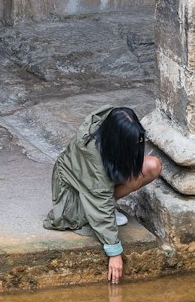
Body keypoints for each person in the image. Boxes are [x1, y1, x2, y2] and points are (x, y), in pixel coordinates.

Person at [43, 106, 161, 283]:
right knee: (104, 205)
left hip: (94, 189)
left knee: (152, 165)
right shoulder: (93, 158)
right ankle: (94, 215)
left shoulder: (106, 124)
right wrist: (115, 253)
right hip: (74, 200)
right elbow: (99, 200)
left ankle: (106, 208)